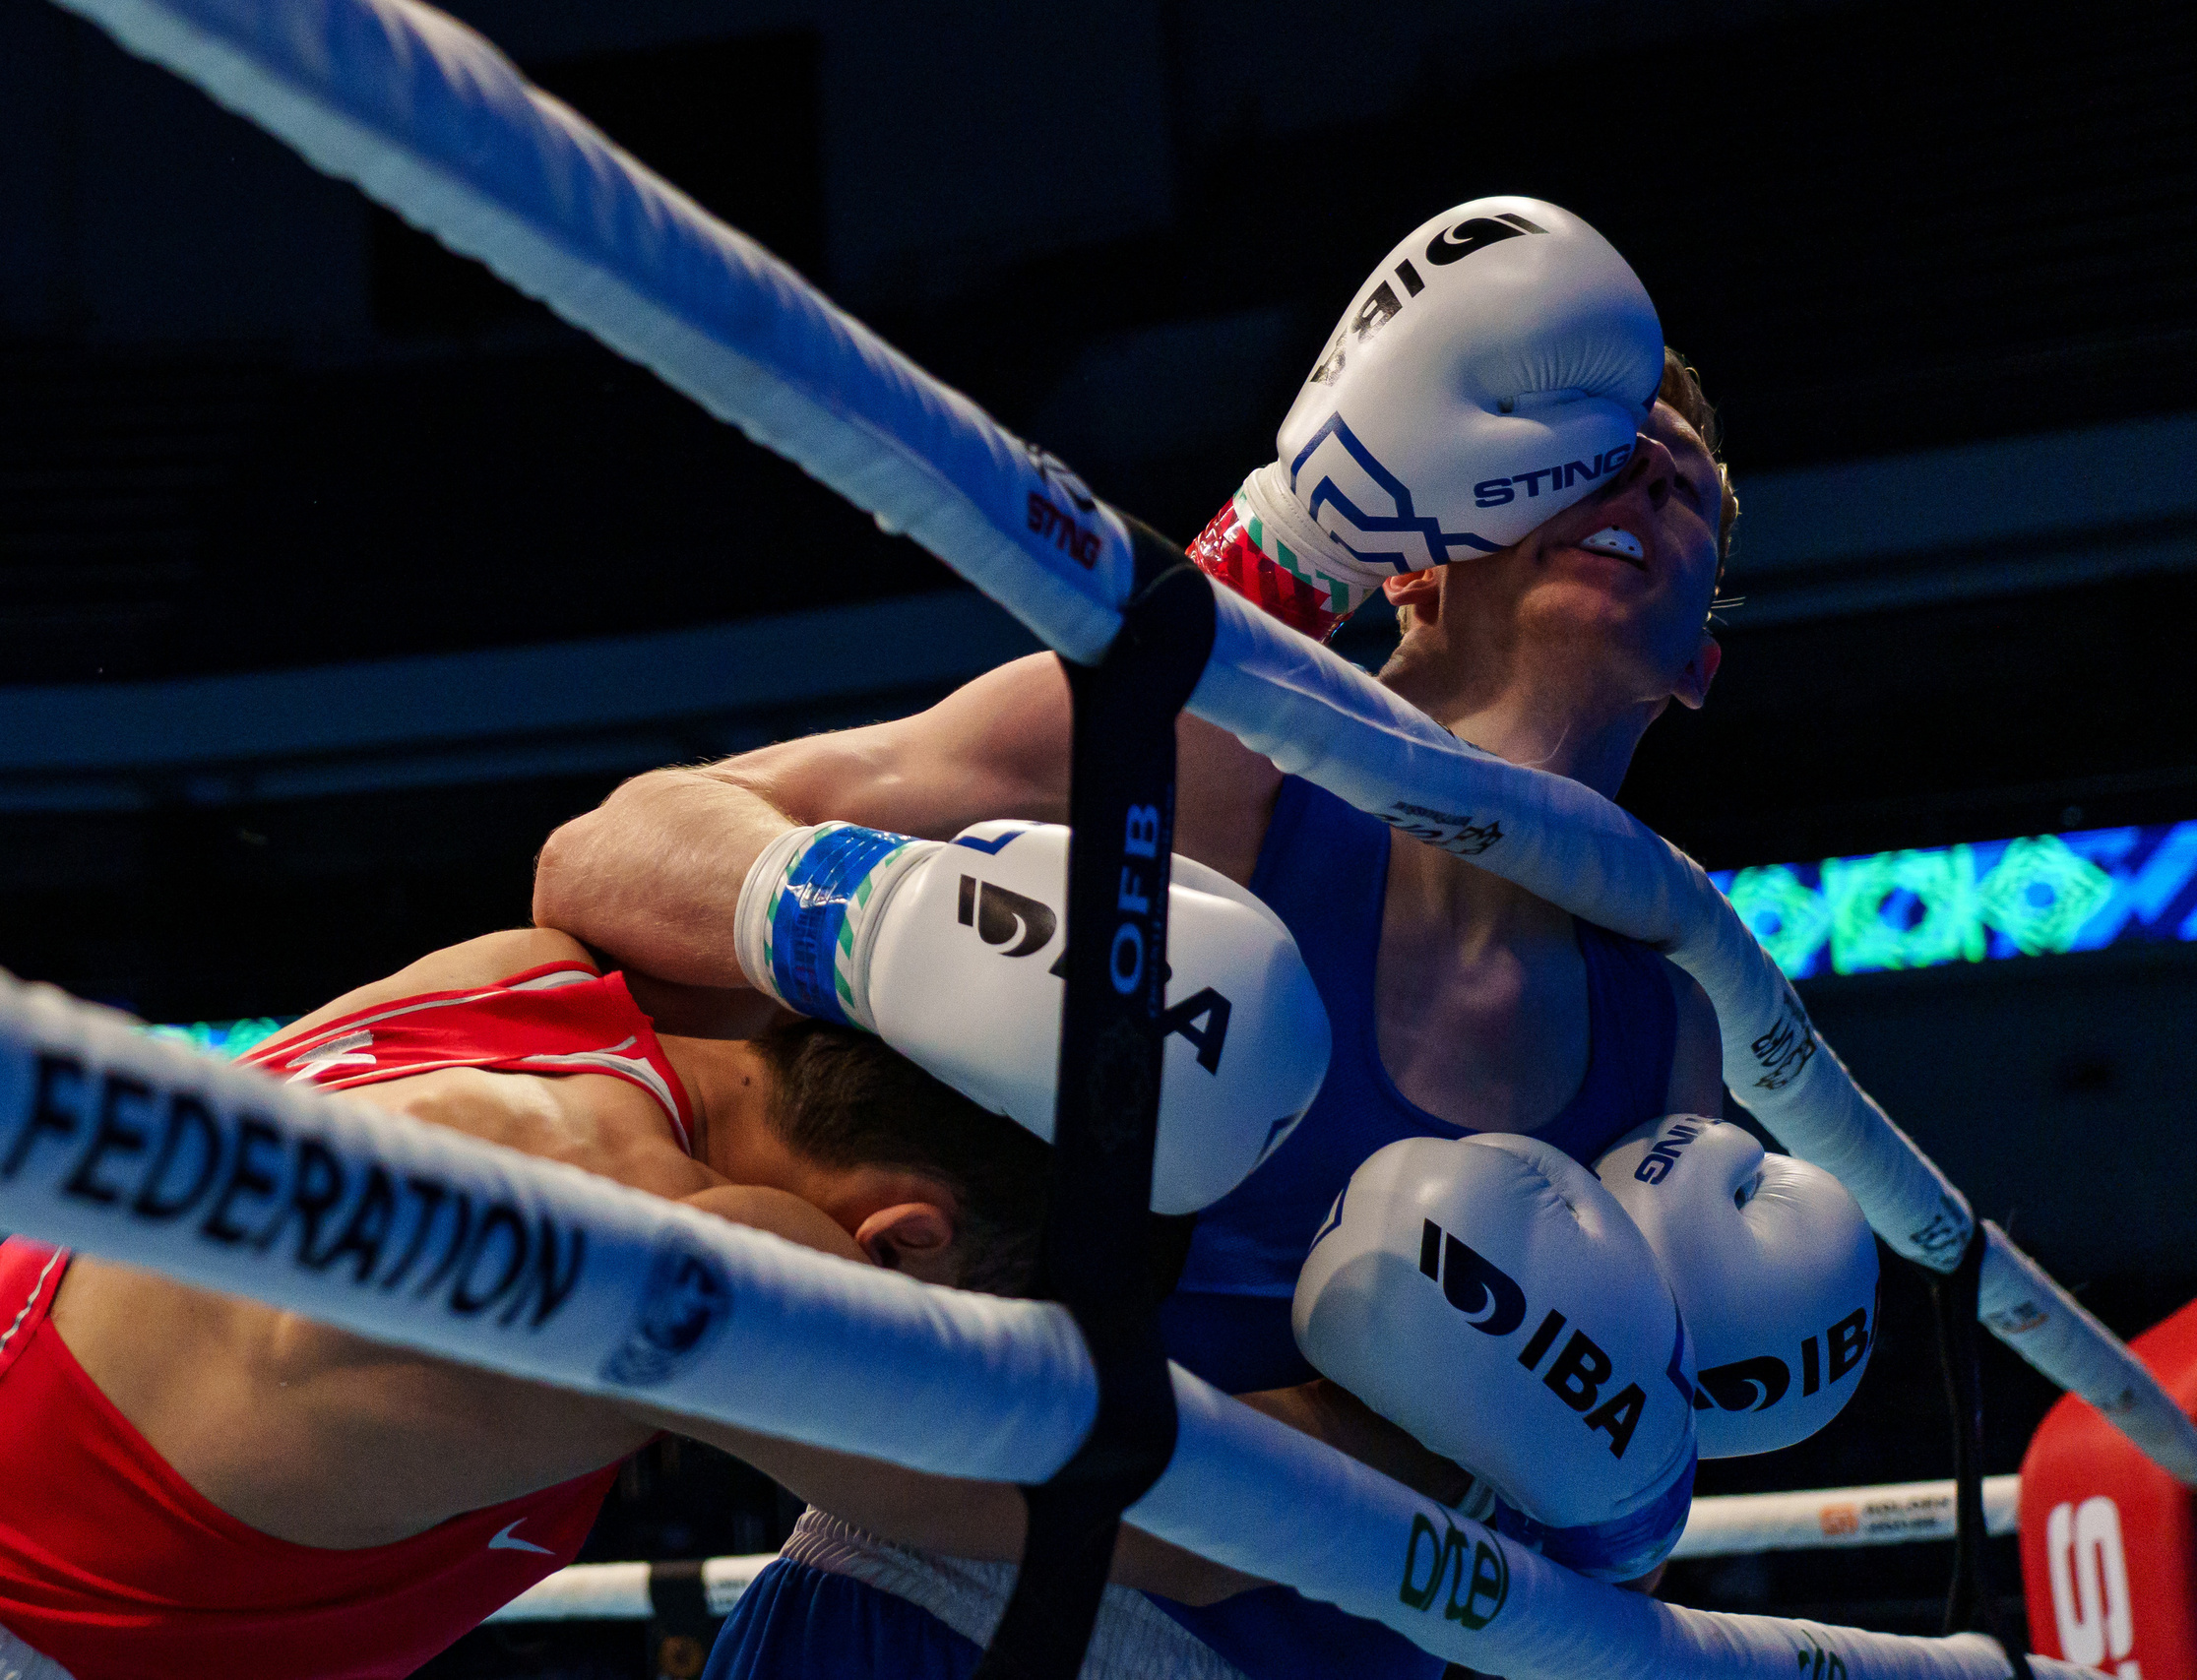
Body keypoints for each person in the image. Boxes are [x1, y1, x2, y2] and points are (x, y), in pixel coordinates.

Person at [530, 198, 1743, 1677]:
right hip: (956, 1623)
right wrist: (878, 923)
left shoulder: (1672, 1024)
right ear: (1421, 560)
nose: (1625, 485)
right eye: (1571, 461)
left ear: (1700, 664)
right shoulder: (1213, 768)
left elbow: (1601, 1493)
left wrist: (1625, 1501)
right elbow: (611, 851)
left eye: (1672, 481)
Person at [0, 891, 1327, 1680]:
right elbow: (1138, 1524)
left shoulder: (525, 987)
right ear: (904, 1247)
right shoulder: (666, 1249)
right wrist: (1502, 1450)